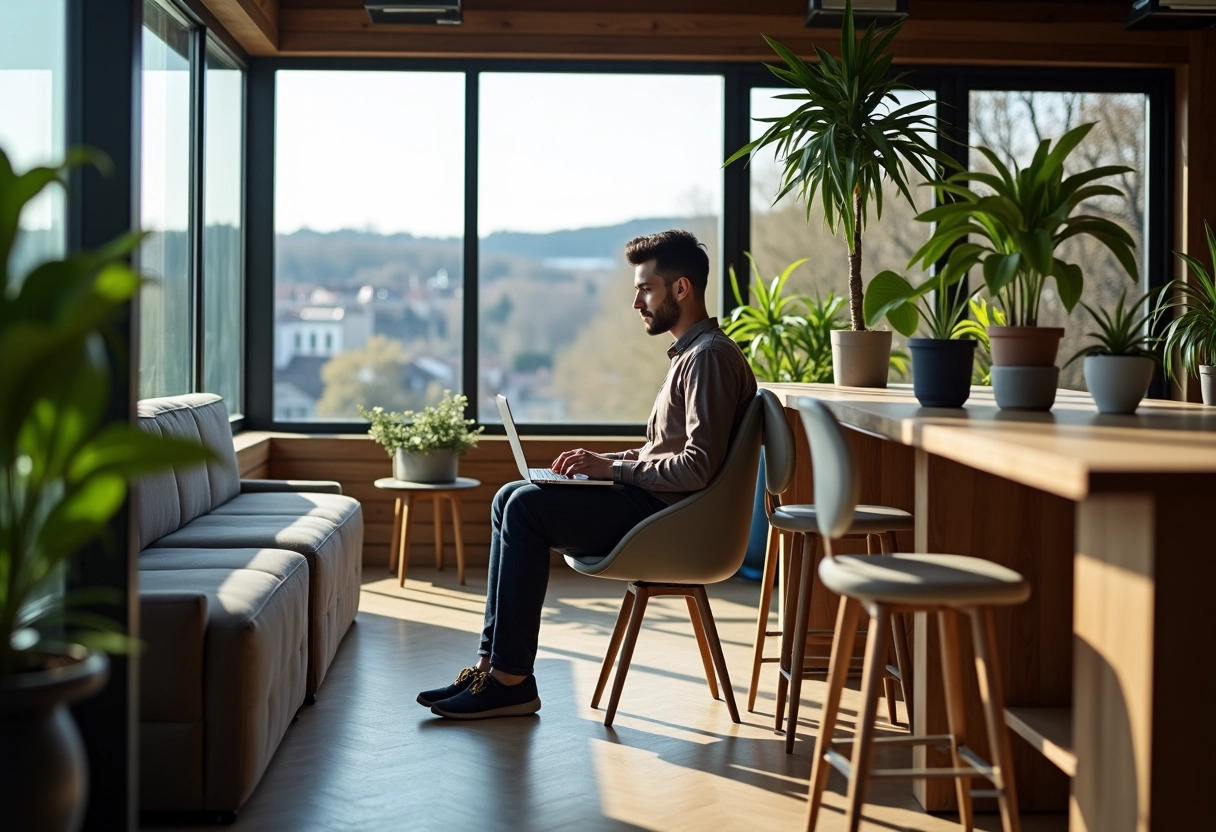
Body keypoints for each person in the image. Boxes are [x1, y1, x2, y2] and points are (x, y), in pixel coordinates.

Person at [419, 229, 757, 720]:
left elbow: (697, 468)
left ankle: (512, 682)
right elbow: (666, 450)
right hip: (659, 506)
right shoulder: (692, 354)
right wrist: (601, 462)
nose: (636, 301)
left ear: (681, 289)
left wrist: (613, 470)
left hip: (671, 519)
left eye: (645, 288)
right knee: (510, 495)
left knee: (526, 508)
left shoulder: (708, 359)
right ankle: (490, 668)